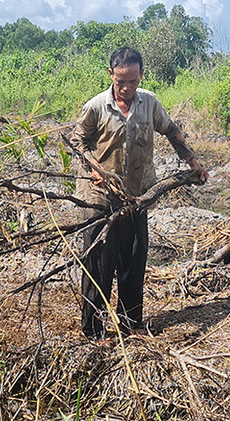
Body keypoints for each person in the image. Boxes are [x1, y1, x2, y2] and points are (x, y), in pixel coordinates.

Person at [71, 47, 209, 341]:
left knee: (133, 260)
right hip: (101, 198)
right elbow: (76, 142)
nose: (126, 88)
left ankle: (131, 323)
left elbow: (172, 131)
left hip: (137, 196)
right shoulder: (96, 107)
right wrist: (94, 167)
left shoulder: (150, 104)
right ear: (111, 75)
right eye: (121, 81)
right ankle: (93, 331)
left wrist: (193, 162)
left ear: (141, 76)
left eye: (132, 81)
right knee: (99, 265)